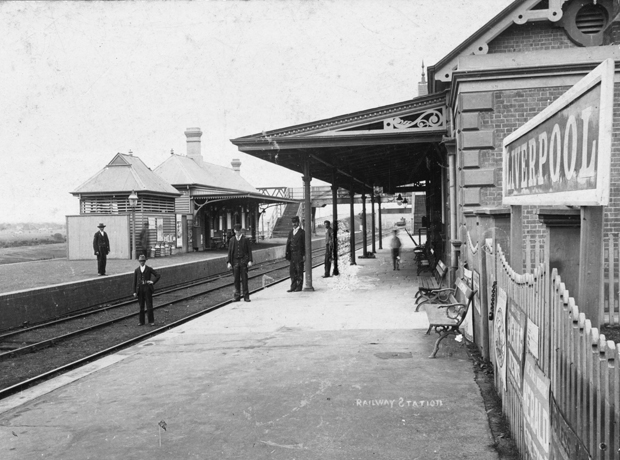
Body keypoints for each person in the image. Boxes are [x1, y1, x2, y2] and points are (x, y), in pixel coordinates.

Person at [226, 223, 253, 302]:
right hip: (235, 262)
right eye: (236, 231)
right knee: (236, 280)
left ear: (241, 230)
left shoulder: (246, 239)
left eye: (239, 231)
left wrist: (250, 260)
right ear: (234, 231)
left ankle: (246, 297)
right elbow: (230, 252)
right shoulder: (232, 240)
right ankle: (237, 296)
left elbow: (249, 251)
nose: (237, 232)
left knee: (245, 279)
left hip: (243, 261)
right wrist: (228, 262)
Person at [133, 254, 161, 326]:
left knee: (149, 305)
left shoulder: (149, 269)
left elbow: (158, 275)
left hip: (147, 288)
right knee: (141, 306)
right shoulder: (136, 270)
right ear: (139, 262)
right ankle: (141, 321)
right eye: (140, 261)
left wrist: (152, 281)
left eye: (143, 261)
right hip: (140, 289)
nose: (142, 262)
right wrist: (134, 292)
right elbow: (134, 282)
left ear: (145, 261)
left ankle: (151, 321)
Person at [285, 215, 305, 292]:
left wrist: (304, 255)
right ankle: (293, 286)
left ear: (298, 223)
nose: (294, 224)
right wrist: (288, 254)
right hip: (292, 254)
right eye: (293, 223)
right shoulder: (290, 232)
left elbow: (304, 244)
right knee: (292, 271)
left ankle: (299, 287)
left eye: (295, 222)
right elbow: (288, 243)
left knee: (299, 270)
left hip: (299, 254)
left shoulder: (302, 232)